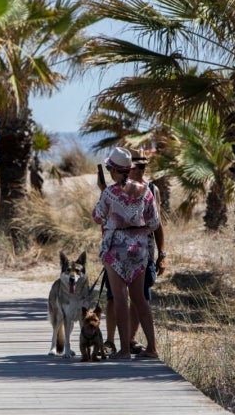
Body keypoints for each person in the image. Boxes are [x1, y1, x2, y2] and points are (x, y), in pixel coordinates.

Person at [92, 147, 159, 359]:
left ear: (113, 170)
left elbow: (97, 216)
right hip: (139, 249)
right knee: (140, 298)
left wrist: (104, 192)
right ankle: (152, 348)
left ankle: (125, 349)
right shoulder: (146, 191)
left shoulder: (109, 193)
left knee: (120, 297)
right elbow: (154, 222)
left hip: (115, 249)